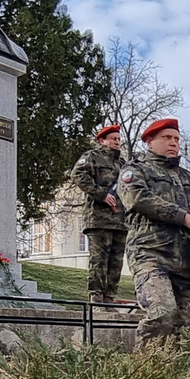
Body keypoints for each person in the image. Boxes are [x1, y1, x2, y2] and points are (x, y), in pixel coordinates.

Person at [118, 118, 190, 344]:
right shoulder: (135, 170)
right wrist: (182, 216)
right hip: (151, 255)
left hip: (186, 263)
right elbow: (137, 198)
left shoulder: (189, 179)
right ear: (149, 142)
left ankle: (178, 377)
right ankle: (147, 372)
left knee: (184, 330)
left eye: (176, 138)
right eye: (166, 137)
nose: (173, 142)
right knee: (162, 313)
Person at [70, 124, 127, 304]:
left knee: (116, 262)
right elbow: (77, 174)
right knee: (99, 260)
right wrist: (101, 194)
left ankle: (110, 297)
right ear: (102, 140)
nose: (117, 142)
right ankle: (96, 298)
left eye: (118, 139)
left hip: (120, 220)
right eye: (113, 139)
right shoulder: (92, 157)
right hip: (99, 218)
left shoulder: (123, 164)